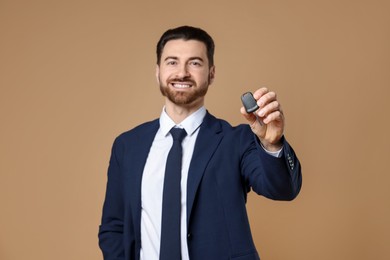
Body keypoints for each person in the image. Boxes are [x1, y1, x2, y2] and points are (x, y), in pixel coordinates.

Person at [98, 25, 302, 260]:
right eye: (172, 62)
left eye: (194, 63)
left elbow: (283, 189)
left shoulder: (237, 140)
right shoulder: (127, 146)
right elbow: (114, 226)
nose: (182, 72)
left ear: (211, 73)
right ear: (158, 71)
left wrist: (272, 144)